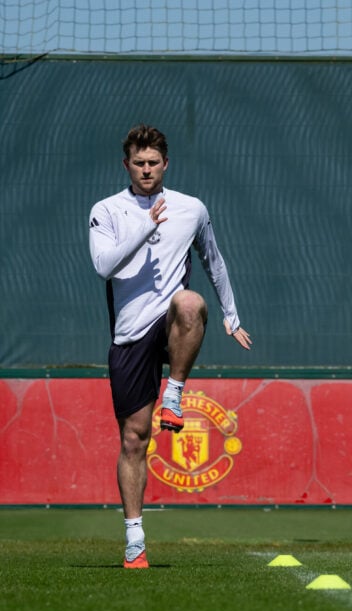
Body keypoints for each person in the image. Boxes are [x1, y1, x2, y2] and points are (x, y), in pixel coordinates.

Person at [89, 124, 252, 569]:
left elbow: (213, 261)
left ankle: (175, 393)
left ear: (166, 164)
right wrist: (145, 225)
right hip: (130, 333)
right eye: (138, 163)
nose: (146, 169)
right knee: (133, 438)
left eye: (153, 162)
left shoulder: (191, 208)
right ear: (126, 165)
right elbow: (103, 265)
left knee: (189, 301)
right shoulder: (107, 210)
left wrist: (231, 315)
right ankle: (135, 538)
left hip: (171, 323)